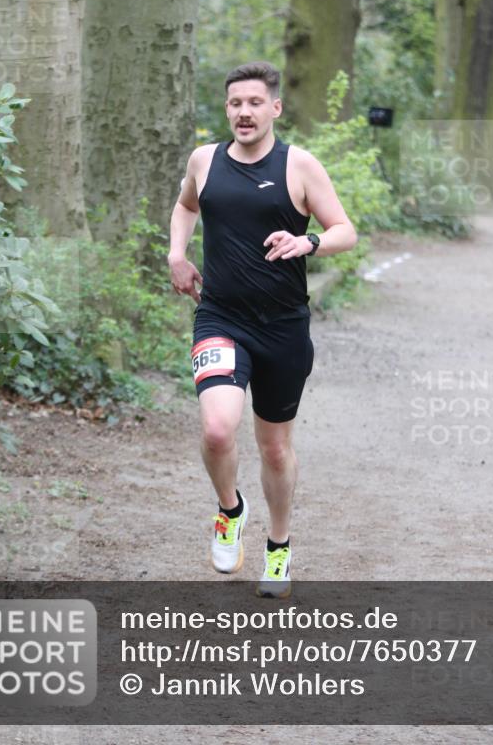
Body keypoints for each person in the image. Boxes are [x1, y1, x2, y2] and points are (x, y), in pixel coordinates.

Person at [168, 61, 357, 596]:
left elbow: (346, 230)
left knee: (274, 449)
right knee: (217, 428)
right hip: (221, 317)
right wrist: (177, 255)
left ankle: (278, 548)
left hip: (283, 328)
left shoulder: (299, 165)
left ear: (274, 108)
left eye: (254, 102)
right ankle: (230, 510)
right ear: (226, 109)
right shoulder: (204, 161)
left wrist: (309, 242)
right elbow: (185, 208)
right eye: (234, 103)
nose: (243, 112)